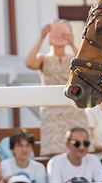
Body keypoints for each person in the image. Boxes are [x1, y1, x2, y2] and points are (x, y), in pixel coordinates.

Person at [25, 21, 89, 157]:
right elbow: (29, 63)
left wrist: (72, 43)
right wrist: (41, 37)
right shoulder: (43, 58)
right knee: (54, 152)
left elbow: (86, 66)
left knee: (79, 147)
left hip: (73, 109)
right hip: (52, 111)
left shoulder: (73, 58)